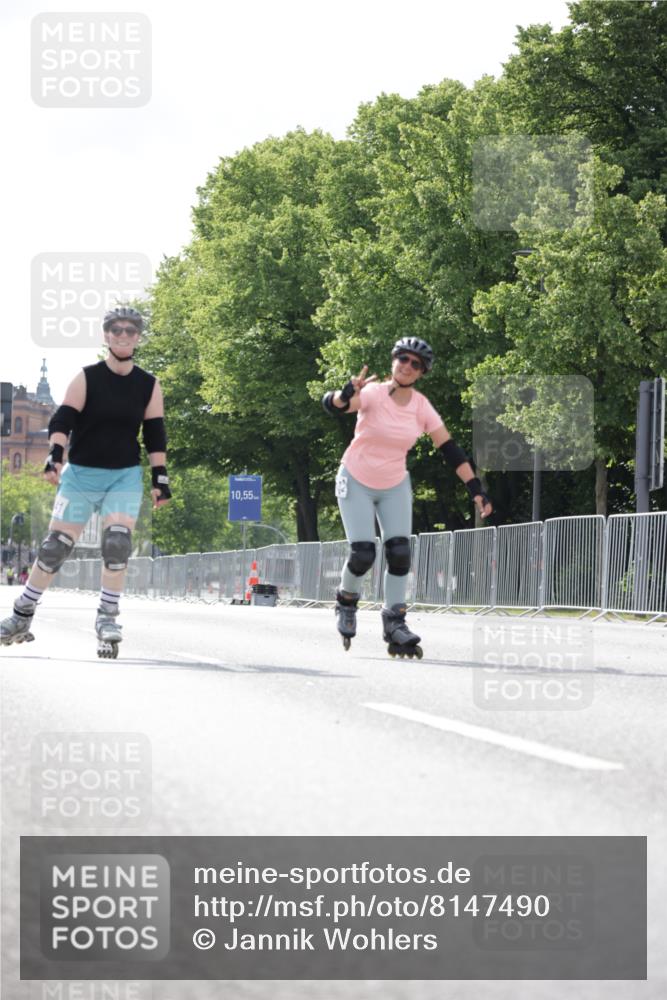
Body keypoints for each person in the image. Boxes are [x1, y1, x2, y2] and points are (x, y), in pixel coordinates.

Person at [1, 307, 172, 656]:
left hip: (123, 474)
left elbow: (155, 433)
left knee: (118, 543)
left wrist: (160, 479)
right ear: (106, 335)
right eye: (116, 330)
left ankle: (107, 616)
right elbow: (63, 418)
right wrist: (55, 457)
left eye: (130, 330)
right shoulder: (87, 377)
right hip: (80, 474)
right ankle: (22, 613)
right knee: (54, 547)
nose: (123, 335)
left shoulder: (148, 384)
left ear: (138, 336)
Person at [322, 336, 493, 657]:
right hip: (355, 478)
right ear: (394, 360)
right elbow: (335, 406)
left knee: (399, 552)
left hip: (394, 485)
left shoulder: (420, 406)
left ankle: (394, 621)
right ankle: (346, 601)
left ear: (422, 373)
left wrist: (476, 489)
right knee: (363, 554)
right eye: (403, 359)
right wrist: (344, 393)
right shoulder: (372, 392)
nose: (408, 367)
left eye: (416, 364)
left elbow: (451, 450)